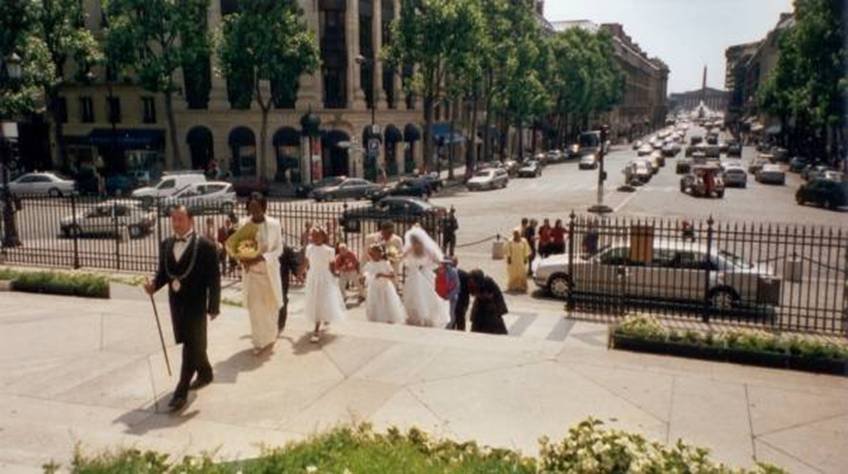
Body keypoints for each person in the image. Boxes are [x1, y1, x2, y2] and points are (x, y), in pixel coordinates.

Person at [144, 206, 220, 413]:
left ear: (191, 220)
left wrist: (213, 305)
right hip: (176, 304)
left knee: (191, 343)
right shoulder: (166, 244)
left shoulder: (205, 245)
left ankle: (181, 391)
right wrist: (153, 285)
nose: (176, 224)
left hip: (196, 304)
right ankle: (205, 372)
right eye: (173, 220)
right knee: (192, 342)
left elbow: (214, 278)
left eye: (180, 219)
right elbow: (164, 274)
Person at [225, 193, 283, 356]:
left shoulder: (274, 224)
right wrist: (242, 259)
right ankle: (258, 341)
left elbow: (279, 249)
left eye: (257, 208)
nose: (254, 212)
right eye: (251, 208)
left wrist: (261, 257)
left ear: (264, 207)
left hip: (268, 271)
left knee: (270, 308)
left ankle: (270, 337)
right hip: (252, 274)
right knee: (256, 309)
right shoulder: (244, 224)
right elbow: (237, 246)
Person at [299, 226, 346, 343]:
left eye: (317, 235)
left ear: (323, 236)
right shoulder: (309, 248)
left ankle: (317, 328)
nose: (315, 238)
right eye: (313, 235)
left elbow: (332, 266)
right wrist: (300, 272)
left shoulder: (329, 250)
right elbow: (306, 262)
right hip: (313, 277)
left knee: (322, 300)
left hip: (324, 278)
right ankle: (317, 323)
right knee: (314, 300)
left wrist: (335, 274)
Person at [402, 226, 450, 327]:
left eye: (417, 242)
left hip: (425, 275)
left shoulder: (428, 250)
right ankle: (416, 317)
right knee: (413, 295)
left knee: (426, 295)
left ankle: (427, 317)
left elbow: (437, 260)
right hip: (414, 275)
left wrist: (440, 263)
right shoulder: (410, 249)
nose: (415, 244)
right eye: (413, 242)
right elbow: (402, 256)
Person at [362, 244, 406, 324]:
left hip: (385, 287)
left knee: (386, 301)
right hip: (374, 287)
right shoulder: (369, 264)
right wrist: (363, 278)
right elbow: (366, 274)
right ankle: (375, 317)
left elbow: (392, 275)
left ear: (380, 254)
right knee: (375, 301)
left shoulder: (386, 263)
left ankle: (387, 317)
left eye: (377, 253)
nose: (374, 255)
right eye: (372, 253)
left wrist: (382, 275)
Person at [468, 269, 508, 335]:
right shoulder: (472, 283)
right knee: (476, 328)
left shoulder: (488, 281)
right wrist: (479, 295)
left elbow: (495, 295)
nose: (471, 282)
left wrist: (485, 296)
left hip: (491, 309)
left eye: (473, 281)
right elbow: (472, 292)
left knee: (495, 328)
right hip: (480, 307)